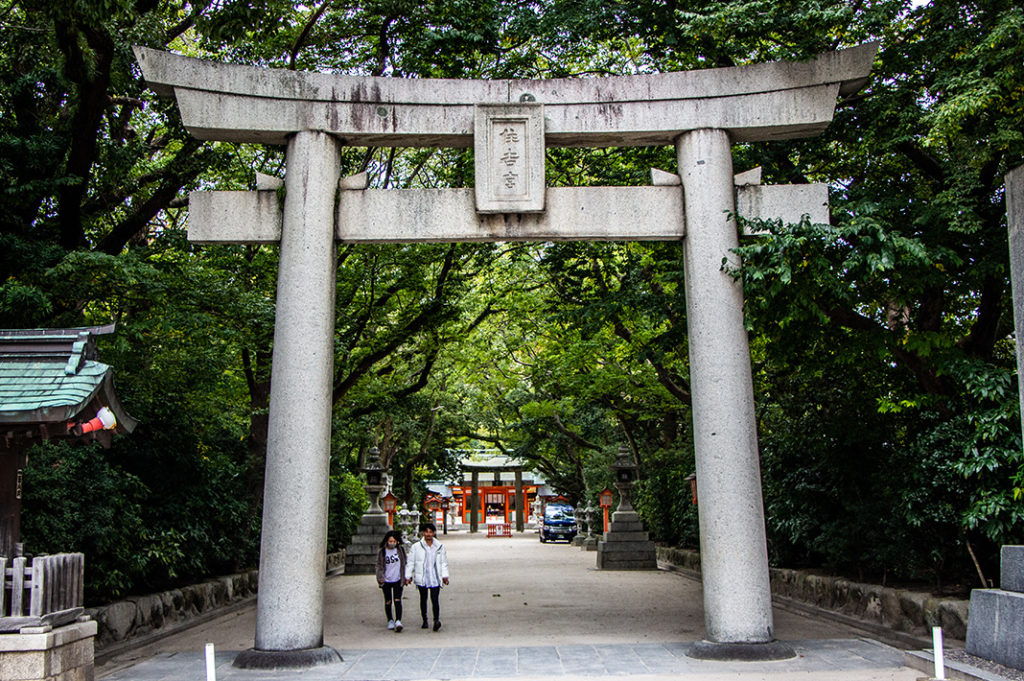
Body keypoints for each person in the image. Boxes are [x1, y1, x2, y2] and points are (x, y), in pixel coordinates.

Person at [405, 522, 449, 631]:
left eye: (430, 532)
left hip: (435, 576)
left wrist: (445, 575)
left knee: (435, 599)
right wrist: (408, 576)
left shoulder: (439, 547)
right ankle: (424, 619)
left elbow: (443, 562)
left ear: (433, 533)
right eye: (426, 532)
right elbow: (410, 562)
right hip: (422, 575)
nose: (428, 534)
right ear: (423, 533)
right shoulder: (416, 547)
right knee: (423, 599)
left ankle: (436, 620)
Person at [375, 530, 406, 632]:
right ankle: (390, 620)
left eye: (394, 541)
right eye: (390, 541)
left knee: (397, 600)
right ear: (386, 541)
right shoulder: (382, 552)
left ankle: (398, 620)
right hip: (386, 580)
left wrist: (406, 577)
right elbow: (379, 565)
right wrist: (380, 578)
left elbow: (404, 563)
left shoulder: (400, 550)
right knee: (388, 601)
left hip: (397, 579)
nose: (392, 543)